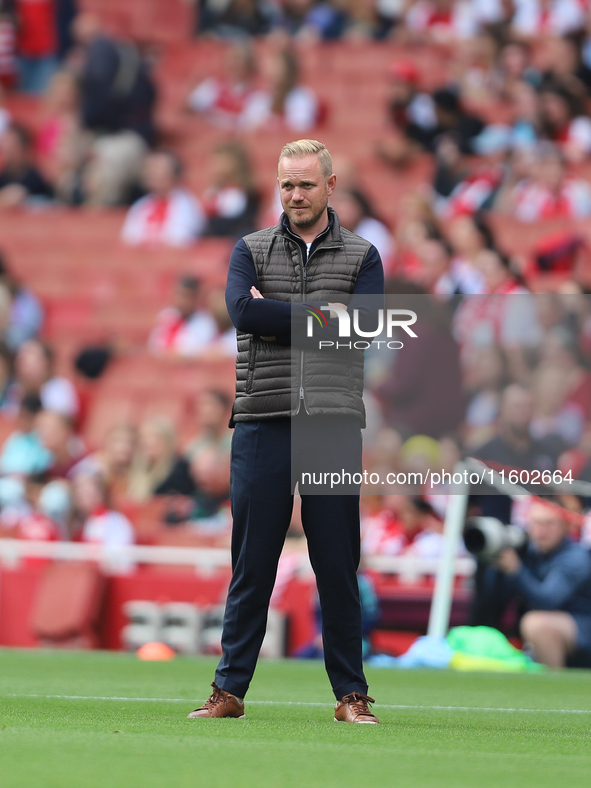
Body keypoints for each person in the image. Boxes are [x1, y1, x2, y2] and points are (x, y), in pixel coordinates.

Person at [188, 139, 384, 724]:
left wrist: (276, 314)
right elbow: (241, 314)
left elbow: (366, 328)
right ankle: (229, 691)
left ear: (330, 185)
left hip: (330, 425)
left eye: (305, 183)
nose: (294, 194)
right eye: (286, 184)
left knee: (336, 563)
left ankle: (351, 695)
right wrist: (324, 319)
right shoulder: (248, 248)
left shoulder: (363, 255)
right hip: (261, 421)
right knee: (252, 562)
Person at [472, 497, 591, 668]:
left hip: (583, 628)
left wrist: (515, 570)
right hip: (560, 629)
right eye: (536, 523)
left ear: (566, 526)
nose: (542, 531)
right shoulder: (530, 551)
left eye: (549, 523)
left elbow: (547, 601)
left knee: (535, 623)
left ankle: (554, 683)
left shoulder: (575, 558)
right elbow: (494, 599)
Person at [121, 150, 206, 248]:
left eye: (157, 168)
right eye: (148, 168)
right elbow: (129, 238)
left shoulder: (187, 205)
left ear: (173, 173)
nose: (150, 173)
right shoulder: (140, 205)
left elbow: (182, 239)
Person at [126, 416, 194, 502]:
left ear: (168, 440)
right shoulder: (136, 469)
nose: (147, 441)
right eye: (143, 437)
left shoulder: (180, 469)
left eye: (154, 436)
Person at [147, 275, 218, 358]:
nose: (184, 301)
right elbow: (154, 346)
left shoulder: (206, 323)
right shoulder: (167, 316)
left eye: (188, 296)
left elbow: (199, 351)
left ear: (196, 298)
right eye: (182, 295)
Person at [0, 123, 53, 208]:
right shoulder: (3, 176)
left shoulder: (34, 177)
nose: (5, 147)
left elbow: (14, 197)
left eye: (11, 146)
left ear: (23, 148)